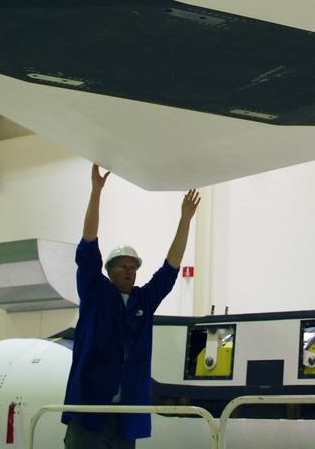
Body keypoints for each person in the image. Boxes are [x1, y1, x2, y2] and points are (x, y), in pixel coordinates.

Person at [62, 163, 201, 448]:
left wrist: (185, 219)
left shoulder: (143, 301)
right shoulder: (95, 292)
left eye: (133, 267)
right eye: (122, 266)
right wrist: (96, 192)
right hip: (89, 413)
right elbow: (88, 245)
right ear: (109, 270)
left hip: (125, 417)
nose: (129, 271)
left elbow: (170, 269)